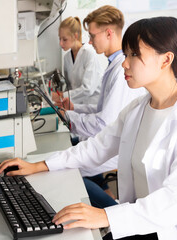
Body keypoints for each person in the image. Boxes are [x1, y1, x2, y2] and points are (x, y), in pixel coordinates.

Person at [0, 16, 177, 240]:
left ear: (165, 60)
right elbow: (96, 148)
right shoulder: (138, 108)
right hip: (142, 222)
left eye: (134, 54)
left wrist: (105, 215)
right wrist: (39, 165)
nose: (125, 63)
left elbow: (175, 200)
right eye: (126, 54)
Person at [55, 6, 146, 201]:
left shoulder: (122, 69)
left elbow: (104, 123)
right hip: (110, 139)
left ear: (109, 33)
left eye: (93, 35)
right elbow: (101, 109)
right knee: (69, 157)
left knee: (68, 171)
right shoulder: (113, 63)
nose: (89, 41)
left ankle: (110, 214)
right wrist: (74, 108)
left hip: (118, 147)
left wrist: (69, 117)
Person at [56, 16, 103, 105]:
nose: (60, 43)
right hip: (78, 107)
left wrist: (62, 96)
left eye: (64, 39)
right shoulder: (67, 58)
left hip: (94, 106)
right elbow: (70, 87)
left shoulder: (88, 53)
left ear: (75, 36)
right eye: (60, 39)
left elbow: (88, 89)